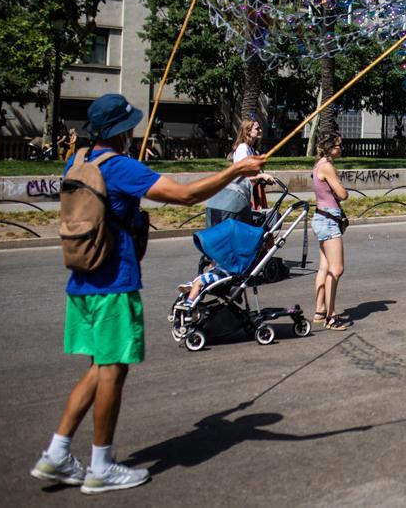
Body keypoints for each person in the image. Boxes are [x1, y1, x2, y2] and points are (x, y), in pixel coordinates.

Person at [30, 94, 265, 494]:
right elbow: (187, 195)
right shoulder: (120, 167)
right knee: (113, 371)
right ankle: (101, 465)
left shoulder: (80, 159)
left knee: (98, 367)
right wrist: (237, 169)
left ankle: (56, 454)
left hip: (82, 281)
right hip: (113, 284)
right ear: (121, 130)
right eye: (130, 125)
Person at [311, 134, 350, 330]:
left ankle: (319, 310)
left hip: (321, 216)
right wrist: (343, 191)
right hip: (329, 220)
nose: (341, 148)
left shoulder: (319, 164)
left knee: (324, 267)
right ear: (329, 148)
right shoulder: (327, 166)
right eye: (338, 145)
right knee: (337, 269)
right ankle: (331, 316)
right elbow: (342, 194)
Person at [204, 118, 274, 227]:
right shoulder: (242, 149)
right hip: (242, 194)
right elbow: (242, 176)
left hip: (251, 191)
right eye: (257, 128)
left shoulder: (251, 149)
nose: (260, 130)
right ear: (248, 131)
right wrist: (262, 176)